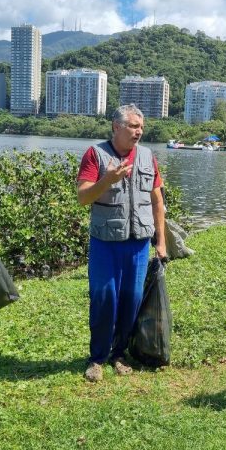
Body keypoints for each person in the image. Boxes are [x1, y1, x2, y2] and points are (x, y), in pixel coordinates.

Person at [77, 104, 167, 383]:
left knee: (132, 300)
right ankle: (97, 358)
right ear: (116, 127)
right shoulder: (95, 154)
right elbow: (83, 197)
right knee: (104, 299)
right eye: (133, 126)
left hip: (138, 244)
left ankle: (119, 354)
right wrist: (108, 179)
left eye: (141, 126)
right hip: (105, 243)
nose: (139, 131)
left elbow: (157, 201)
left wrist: (161, 243)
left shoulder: (148, 157)